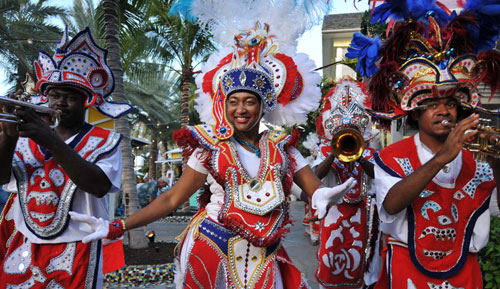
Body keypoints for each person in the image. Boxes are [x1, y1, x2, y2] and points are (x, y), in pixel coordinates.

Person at [70, 2, 359, 287]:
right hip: (213, 251)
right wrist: (118, 225)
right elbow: (172, 199)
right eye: (233, 102)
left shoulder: (284, 146)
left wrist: (322, 195)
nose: (241, 109)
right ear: (223, 105)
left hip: (266, 257)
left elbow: (313, 187)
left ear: (264, 106)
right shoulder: (209, 147)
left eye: (249, 101)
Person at [353, 1, 500, 287]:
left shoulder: (474, 157)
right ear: (416, 113)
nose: (444, 111)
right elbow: (391, 205)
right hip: (408, 268)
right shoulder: (392, 155)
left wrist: (497, 161)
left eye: (450, 104)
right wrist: (442, 157)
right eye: (432, 104)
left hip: (464, 271)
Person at [0, 27, 131, 288]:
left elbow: (97, 186)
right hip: (25, 245)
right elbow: (2, 178)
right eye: (55, 96)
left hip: (78, 248)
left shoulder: (106, 141)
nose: (59, 103)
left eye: (70, 97)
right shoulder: (25, 137)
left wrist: (49, 139)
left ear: (86, 102)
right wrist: (10, 136)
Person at [312, 79, 381, 288]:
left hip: (364, 214)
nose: (348, 133)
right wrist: (333, 154)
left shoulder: (370, 153)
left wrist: (359, 156)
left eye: (352, 129)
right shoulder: (326, 152)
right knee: (331, 257)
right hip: (334, 215)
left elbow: (378, 174)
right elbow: (316, 175)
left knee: (362, 258)